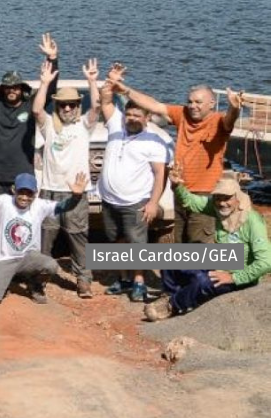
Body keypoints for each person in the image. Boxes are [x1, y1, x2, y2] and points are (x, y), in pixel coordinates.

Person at [112, 74, 242, 245]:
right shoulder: (183, 114)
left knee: (199, 244)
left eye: (198, 102)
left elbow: (229, 121)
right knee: (181, 241)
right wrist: (126, 90)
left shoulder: (218, 121)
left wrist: (234, 109)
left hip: (204, 194)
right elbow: (155, 106)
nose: (192, 106)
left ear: (212, 104)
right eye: (190, 101)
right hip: (180, 191)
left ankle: (206, 271)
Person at [145, 167, 271, 321]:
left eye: (227, 198)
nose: (222, 203)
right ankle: (170, 293)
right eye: (218, 198)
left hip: (238, 271)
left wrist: (235, 278)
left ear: (237, 197)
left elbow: (266, 262)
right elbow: (191, 202)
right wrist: (177, 187)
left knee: (203, 281)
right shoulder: (217, 207)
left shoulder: (252, 220)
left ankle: (172, 305)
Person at [99, 65, 171, 302]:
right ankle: (123, 279)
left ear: (147, 118)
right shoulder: (116, 126)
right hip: (109, 200)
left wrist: (153, 203)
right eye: (129, 115)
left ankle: (139, 281)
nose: (131, 119)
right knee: (117, 241)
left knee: (137, 243)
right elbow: (106, 102)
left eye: (137, 116)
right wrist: (111, 81)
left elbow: (160, 175)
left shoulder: (154, 140)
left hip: (135, 202)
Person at [31, 58, 100, 298]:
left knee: (78, 237)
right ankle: (40, 280)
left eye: (71, 105)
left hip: (76, 193)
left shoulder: (84, 125)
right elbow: (37, 110)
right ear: (57, 107)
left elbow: (97, 108)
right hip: (50, 191)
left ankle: (83, 280)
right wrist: (44, 83)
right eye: (63, 105)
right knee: (46, 240)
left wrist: (92, 81)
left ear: (77, 106)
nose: (67, 109)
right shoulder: (49, 125)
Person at [0, 172, 89, 305]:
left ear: (35, 194)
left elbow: (63, 207)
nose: (24, 197)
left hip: (28, 257)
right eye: (21, 192)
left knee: (50, 265)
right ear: (14, 190)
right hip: (4, 259)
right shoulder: (4, 202)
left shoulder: (40, 206)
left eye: (29, 193)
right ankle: (1, 278)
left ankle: (35, 286)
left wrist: (76, 197)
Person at [0, 33, 59, 194]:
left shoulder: (31, 106)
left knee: (24, 219)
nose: (12, 90)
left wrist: (52, 58)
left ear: (22, 89)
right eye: (8, 87)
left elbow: (49, 89)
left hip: (24, 177)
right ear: (3, 89)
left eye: (16, 87)